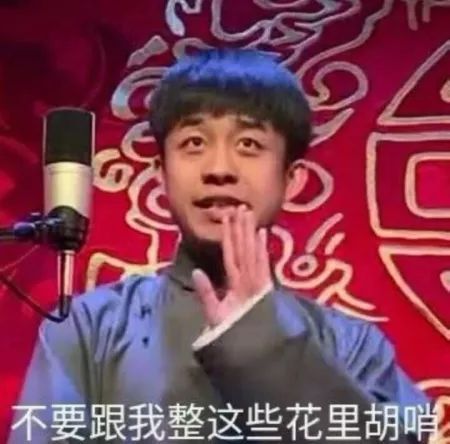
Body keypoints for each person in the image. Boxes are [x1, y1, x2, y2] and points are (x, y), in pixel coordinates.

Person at [8, 48, 430, 443]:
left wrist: (263, 344)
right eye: (194, 143)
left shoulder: (352, 345)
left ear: (292, 179)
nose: (219, 169)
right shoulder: (90, 329)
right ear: (161, 173)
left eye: (249, 145)